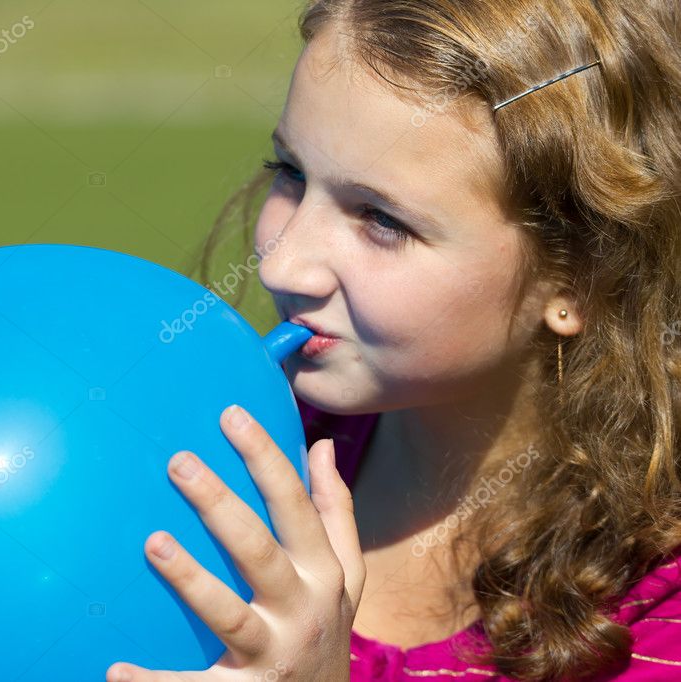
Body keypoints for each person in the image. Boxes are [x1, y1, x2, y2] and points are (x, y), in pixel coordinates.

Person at [107, 0, 681, 679]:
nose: (280, 263)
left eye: (381, 219)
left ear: (579, 279)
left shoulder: (653, 614)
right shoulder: (227, 460)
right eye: (290, 173)